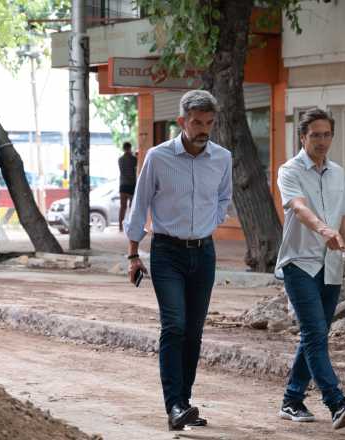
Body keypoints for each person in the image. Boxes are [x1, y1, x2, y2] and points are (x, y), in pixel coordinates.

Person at [124, 90, 232, 431]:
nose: (204, 129)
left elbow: (223, 198)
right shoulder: (158, 158)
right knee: (174, 326)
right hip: (167, 252)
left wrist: (211, 223)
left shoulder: (222, 158)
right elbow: (140, 205)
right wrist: (132, 254)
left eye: (209, 123)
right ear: (182, 121)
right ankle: (173, 406)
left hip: (204, 252)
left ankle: (184, 403)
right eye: (197, 122)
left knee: (194, 331)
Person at [275, 108, 345, 430]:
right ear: (302, 137)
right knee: (315, 333)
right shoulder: (289, 171)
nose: (322, 141)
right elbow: (298, 207)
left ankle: (292, 399)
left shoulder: (337, 173)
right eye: (315, 135)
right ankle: (336, 402)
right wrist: (322, 229)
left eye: (327, 134)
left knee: (315, 334)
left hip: (331, 266)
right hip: (299, 262)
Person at [118, 141, 137, 232]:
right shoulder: (133, 159)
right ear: (129, 148)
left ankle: (120, 226)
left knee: (123, 207)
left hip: (122, 185)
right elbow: (135, 165)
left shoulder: (120, 159)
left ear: (123, 149)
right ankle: (130, 225)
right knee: (132, 207)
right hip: (131, 185)